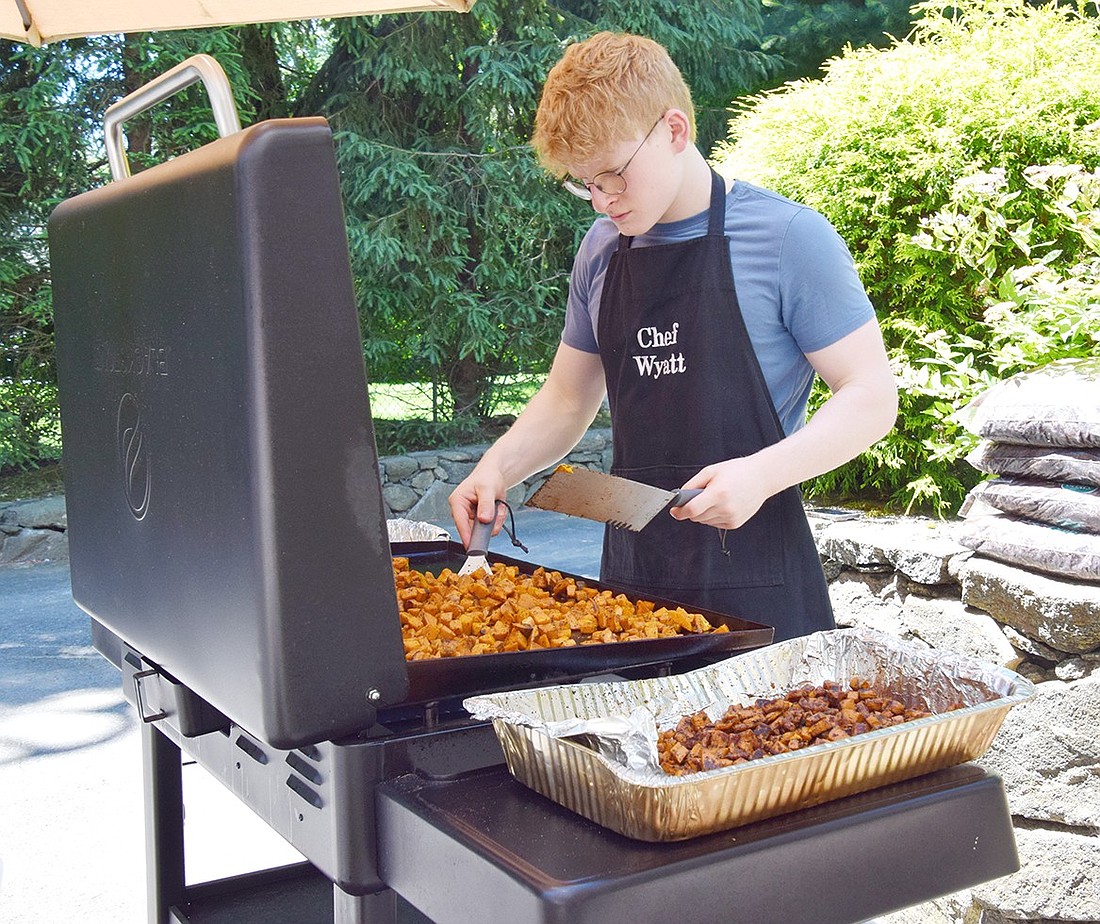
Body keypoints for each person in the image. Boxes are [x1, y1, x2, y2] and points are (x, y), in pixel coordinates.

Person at [448, 32, 898, 642]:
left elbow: (871, 395)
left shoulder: (789, 238)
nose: (602, 202)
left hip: (760, 581)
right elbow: (567, 398)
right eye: (584, 184)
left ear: (676, 130)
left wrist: (763, 475)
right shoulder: (601, 251)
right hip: (632, 587)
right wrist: (496, 467)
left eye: (613, 176)